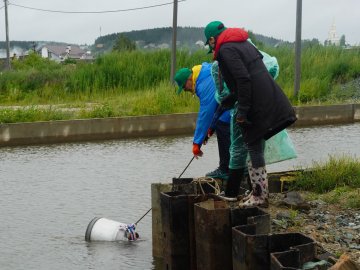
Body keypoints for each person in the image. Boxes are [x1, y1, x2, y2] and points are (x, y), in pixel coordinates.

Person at [204, 21, 297, 207]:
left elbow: (243, 79)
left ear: (213, 39)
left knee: (253, 146)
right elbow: (250, 76)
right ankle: (258, 194)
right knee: (254, 146)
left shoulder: (225, 50)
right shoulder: (244, 44)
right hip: (265, 97)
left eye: (210, 44)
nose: (212, 47)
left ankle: (259, 196)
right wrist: (231, 100)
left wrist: (242, 111)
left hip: (255, 103)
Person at [174, 63, 231, 180]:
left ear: (189, 79)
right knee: (220, 123)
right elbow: (217, 104)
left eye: (184, 87)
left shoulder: (202, 85)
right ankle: (236, 167)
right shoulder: (203, 71)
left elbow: (206, 113)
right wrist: (210, 129)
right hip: (231, 98)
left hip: (235, 100)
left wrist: (197, 143)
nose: (186, 90)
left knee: (222, 125)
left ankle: (225, 169)